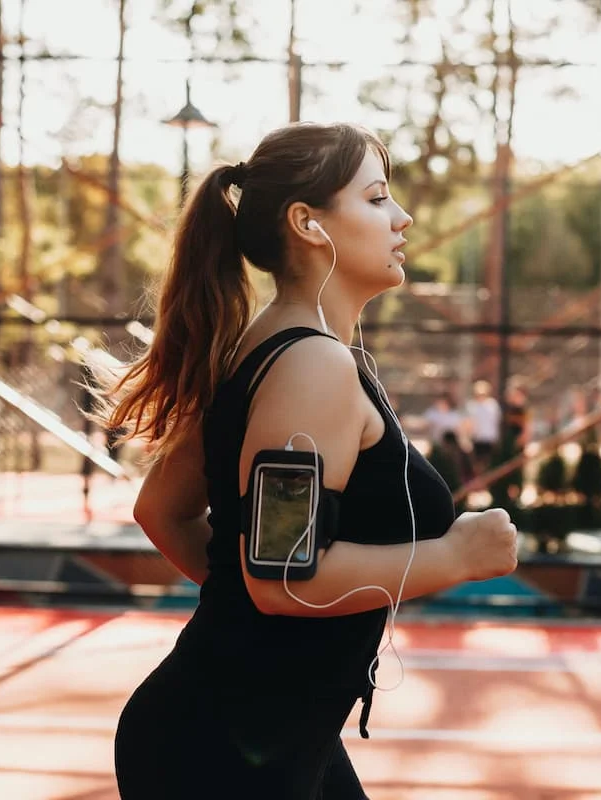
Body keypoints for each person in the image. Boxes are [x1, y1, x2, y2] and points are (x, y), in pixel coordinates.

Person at [99, 122, 518, 799]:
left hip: (271, 733)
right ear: (308, 223)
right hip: (226, 750)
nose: (402, 217)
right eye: (378, 198)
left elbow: (164, 513)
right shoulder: (310, 364)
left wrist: (252, 609)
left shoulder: (278, 349)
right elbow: (285, 578)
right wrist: (458, 558)